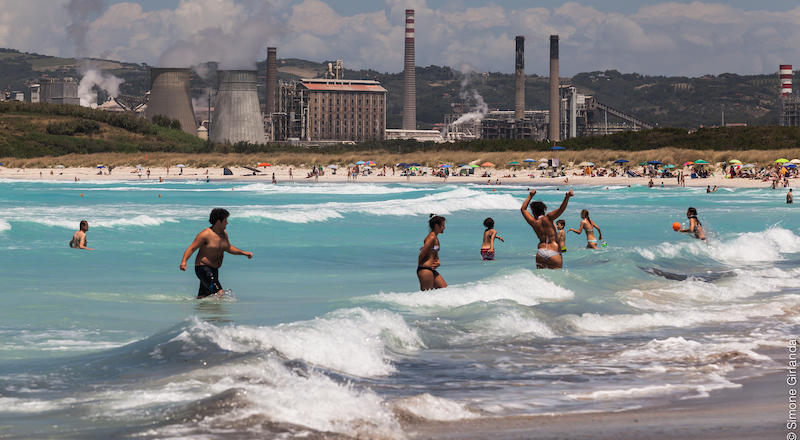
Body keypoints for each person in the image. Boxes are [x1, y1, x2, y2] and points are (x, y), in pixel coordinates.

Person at [180, 208, 253, 299]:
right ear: (219, 221)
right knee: (220, 294)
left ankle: (199, 312)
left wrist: (243, 253)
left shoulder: (223, 234)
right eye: (225, 221)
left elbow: (228, 247)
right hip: (203, 268)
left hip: (214, 270)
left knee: (203, 298)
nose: (227, 223)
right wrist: (184, 261)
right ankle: (221, 313)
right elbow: (192, 248)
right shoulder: (205, 234)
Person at [520, 189, 574, 269]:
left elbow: (523, 209)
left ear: (534, 214)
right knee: (557, 278)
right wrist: (567, 197)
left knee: (541, 278)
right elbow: (561, 209)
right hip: (554, 251)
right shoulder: (548, 218)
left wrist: (530, 196)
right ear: (544, 212)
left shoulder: (534, 222)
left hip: (540, 253)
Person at [418, 214, 447, 290]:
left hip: (431, 270)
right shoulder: (431, 237)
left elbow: (434, 253)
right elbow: (422, 254)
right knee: (426, 296)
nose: (444, 227)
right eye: (443, 225)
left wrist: (438, 262)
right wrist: (422, 267)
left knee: (445, 290)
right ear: (437, 226)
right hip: (425, 270)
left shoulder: (435, 237)